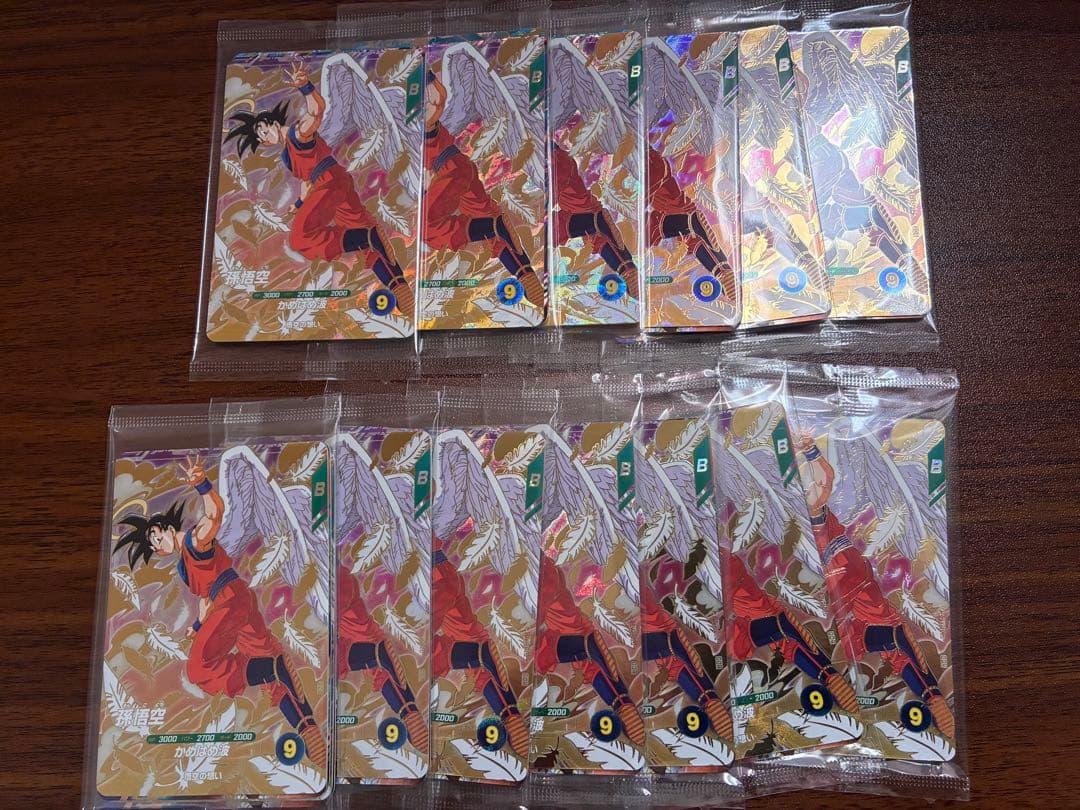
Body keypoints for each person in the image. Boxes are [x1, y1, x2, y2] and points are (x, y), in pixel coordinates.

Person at [115, 458, 327, 768]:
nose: (158, 545)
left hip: (231, 601)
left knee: (199, 669)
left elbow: (214, 513)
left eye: (157, 536)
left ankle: (270, 669)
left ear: (168, 528)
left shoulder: (195, 540)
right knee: (271, 667)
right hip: (234, 603)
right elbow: (204, 599)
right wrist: (198, 624)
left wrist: (201, 483)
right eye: (154, 545)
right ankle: (308, 729)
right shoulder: (184, 566)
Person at [225, 62, 413, 317]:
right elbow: (306, 182)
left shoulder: (298, 133)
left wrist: (305, 86)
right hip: (335, 183)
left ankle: (368, 237)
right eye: (260, 139)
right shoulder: (287, 155)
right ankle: (398, 285)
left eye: (263, 131)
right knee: (367, 248)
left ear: (271, 122)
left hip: (330, 182)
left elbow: (316, 111)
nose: (264, 138)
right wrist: (299, 204)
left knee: (300, 238)